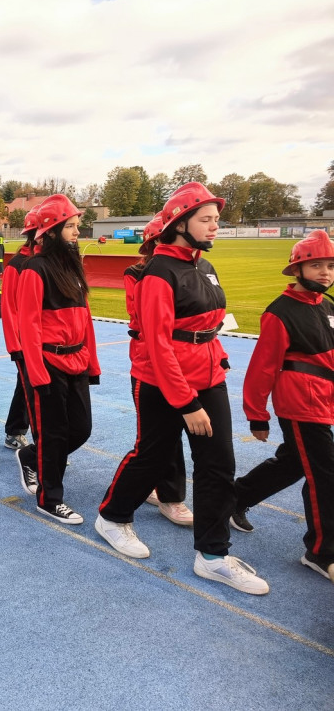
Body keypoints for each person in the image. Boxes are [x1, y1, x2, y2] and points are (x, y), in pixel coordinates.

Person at [96, 182, 269, 595]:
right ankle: (113, 516)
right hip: (164, 382)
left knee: (218, 464)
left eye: (216, 220)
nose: (215, 228)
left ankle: (212, 556)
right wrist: (186, 402)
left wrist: (219, 361)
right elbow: (156, 344)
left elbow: (208, 325)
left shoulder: (204, 266)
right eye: (206, 220)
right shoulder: (158, 272)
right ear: (179, 223)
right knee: (153, 457)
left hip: (209, 377)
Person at [233, 230, 334, 582]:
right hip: (300, 404)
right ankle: (322, 552)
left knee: (294, 462)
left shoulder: (328, 306)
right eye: (316, 265)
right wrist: (256, 415)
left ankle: (235, 497)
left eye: (330, 266)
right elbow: (263, 366)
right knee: (325, 475)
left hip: (324, 400)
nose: (325, 272)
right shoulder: (279, 312)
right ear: (297, 270)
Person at [16, 194, 99, 524]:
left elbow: (85, 318)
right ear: (51, 230)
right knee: (54, 434)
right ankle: (49, 498)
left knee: (81, 429)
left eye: (78, 225)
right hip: (50, 365)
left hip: (77, 361)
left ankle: (31, 456)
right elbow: (29, 327)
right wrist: (38, 374)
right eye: (72, 226)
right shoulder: (34, 270)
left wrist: (92, 363)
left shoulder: (72, 267)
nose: (78, 231)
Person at [122, 212, 194, 527]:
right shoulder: (139, 274)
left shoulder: (186, 270)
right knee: (156, 436)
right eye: (153, 243)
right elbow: (141, 316)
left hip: (181, 360)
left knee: (171, 433)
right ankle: (166, 495)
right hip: (149, 360)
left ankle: (169, 492)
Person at [1, 208, 40, 457]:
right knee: (31, 388)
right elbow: (9, 307)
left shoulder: (48, 262)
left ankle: (17, 431)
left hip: (44, 339)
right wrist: (15, 344)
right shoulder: (17, 265)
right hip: (25, 341)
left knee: (28, 387)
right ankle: (21, 435)